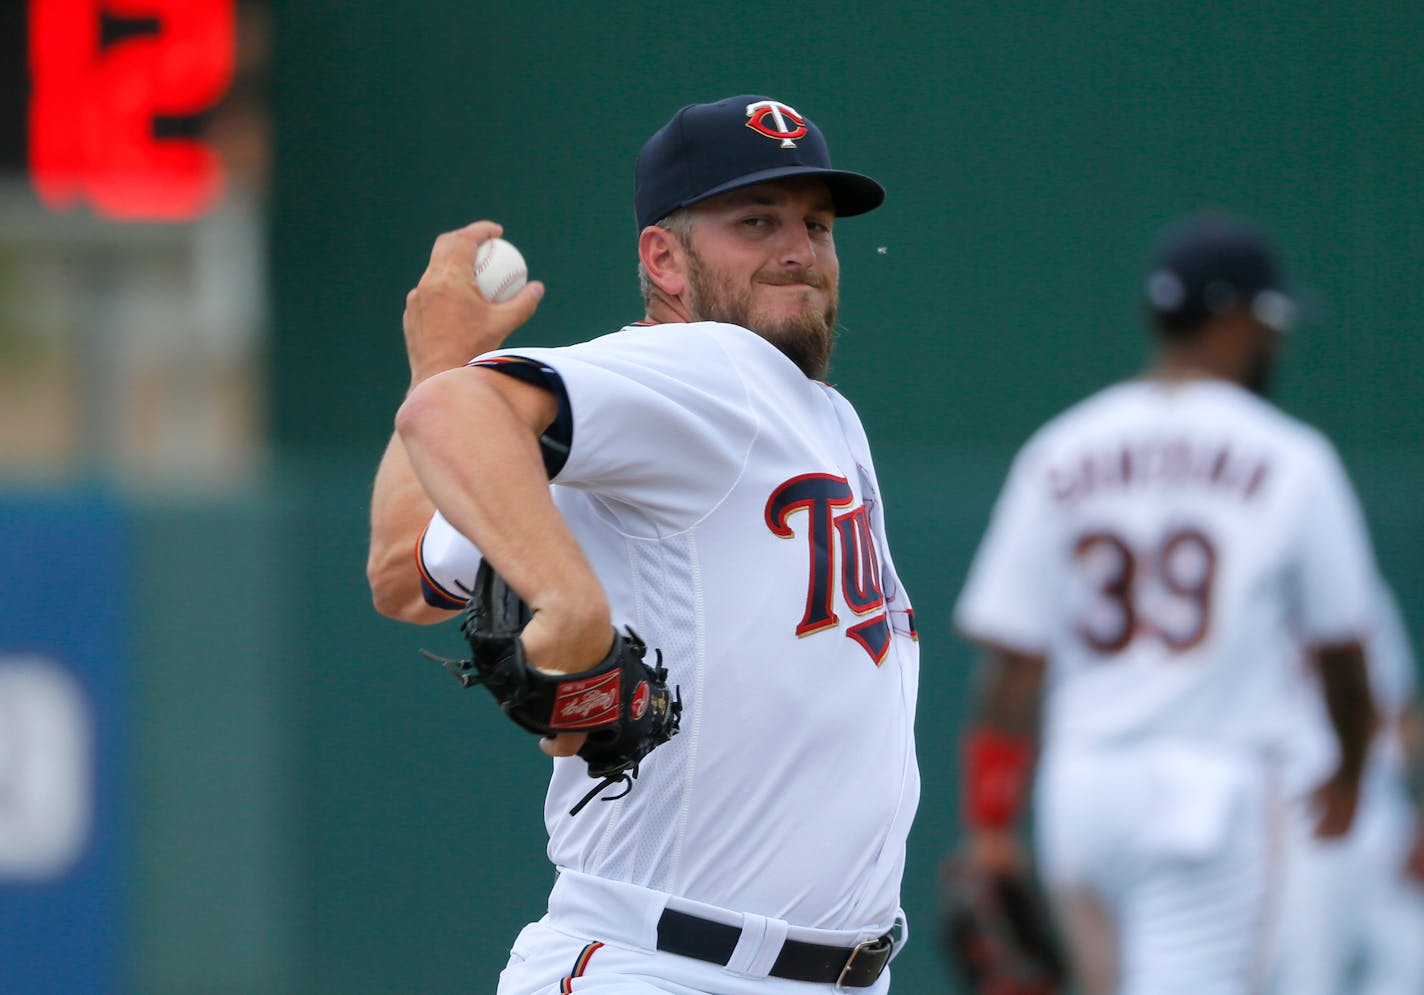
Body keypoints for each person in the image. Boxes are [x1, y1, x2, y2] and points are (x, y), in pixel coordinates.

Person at [366, 95, 920, 994]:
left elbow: (401, 571)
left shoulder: (805, 412)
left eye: (816, 224)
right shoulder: (714, 368)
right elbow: (450, 415)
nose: (799, 250)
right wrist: (566, 597)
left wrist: (439, 359)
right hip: (667, 968)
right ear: (664, 257)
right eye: (755, 221)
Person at [950, 213, 1380, 995]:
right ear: (1243, 321)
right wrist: (1350, 773)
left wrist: (989, 825)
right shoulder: (1290, 456)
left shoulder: (1062, 446)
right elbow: (1345, 653)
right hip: (1208, 797)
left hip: (1081, 793)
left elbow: (1014, 664)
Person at [1270, 577, 1424, 995]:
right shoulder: (1253, 591)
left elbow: (1403, 712)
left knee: (1408, 960)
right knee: (1308, 977)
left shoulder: (1361, 589)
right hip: (1299, 820)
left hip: (1378, 815)